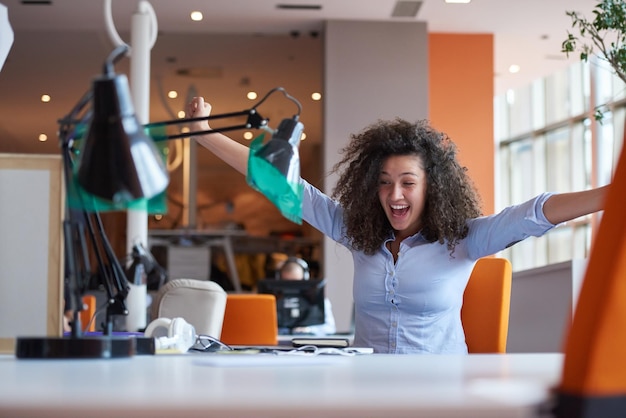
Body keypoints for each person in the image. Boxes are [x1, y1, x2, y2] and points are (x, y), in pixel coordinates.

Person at [187, 97, 609, 354]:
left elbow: (534, 213)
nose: (395, 196)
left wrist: (610, 196)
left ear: (432, 187)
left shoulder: (463, 240)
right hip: (367, 391)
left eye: (408, 183)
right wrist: (203, 134)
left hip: (441, 394)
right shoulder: (357, 232)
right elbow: (282, 185)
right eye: (385, 184)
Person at [277, 257, 337, 336]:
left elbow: (330, 328)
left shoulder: (319, 301)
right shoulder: (274, 302)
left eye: (296, 282)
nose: (292, 287)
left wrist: (309, 330)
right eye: (288, 283)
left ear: (305, 277)